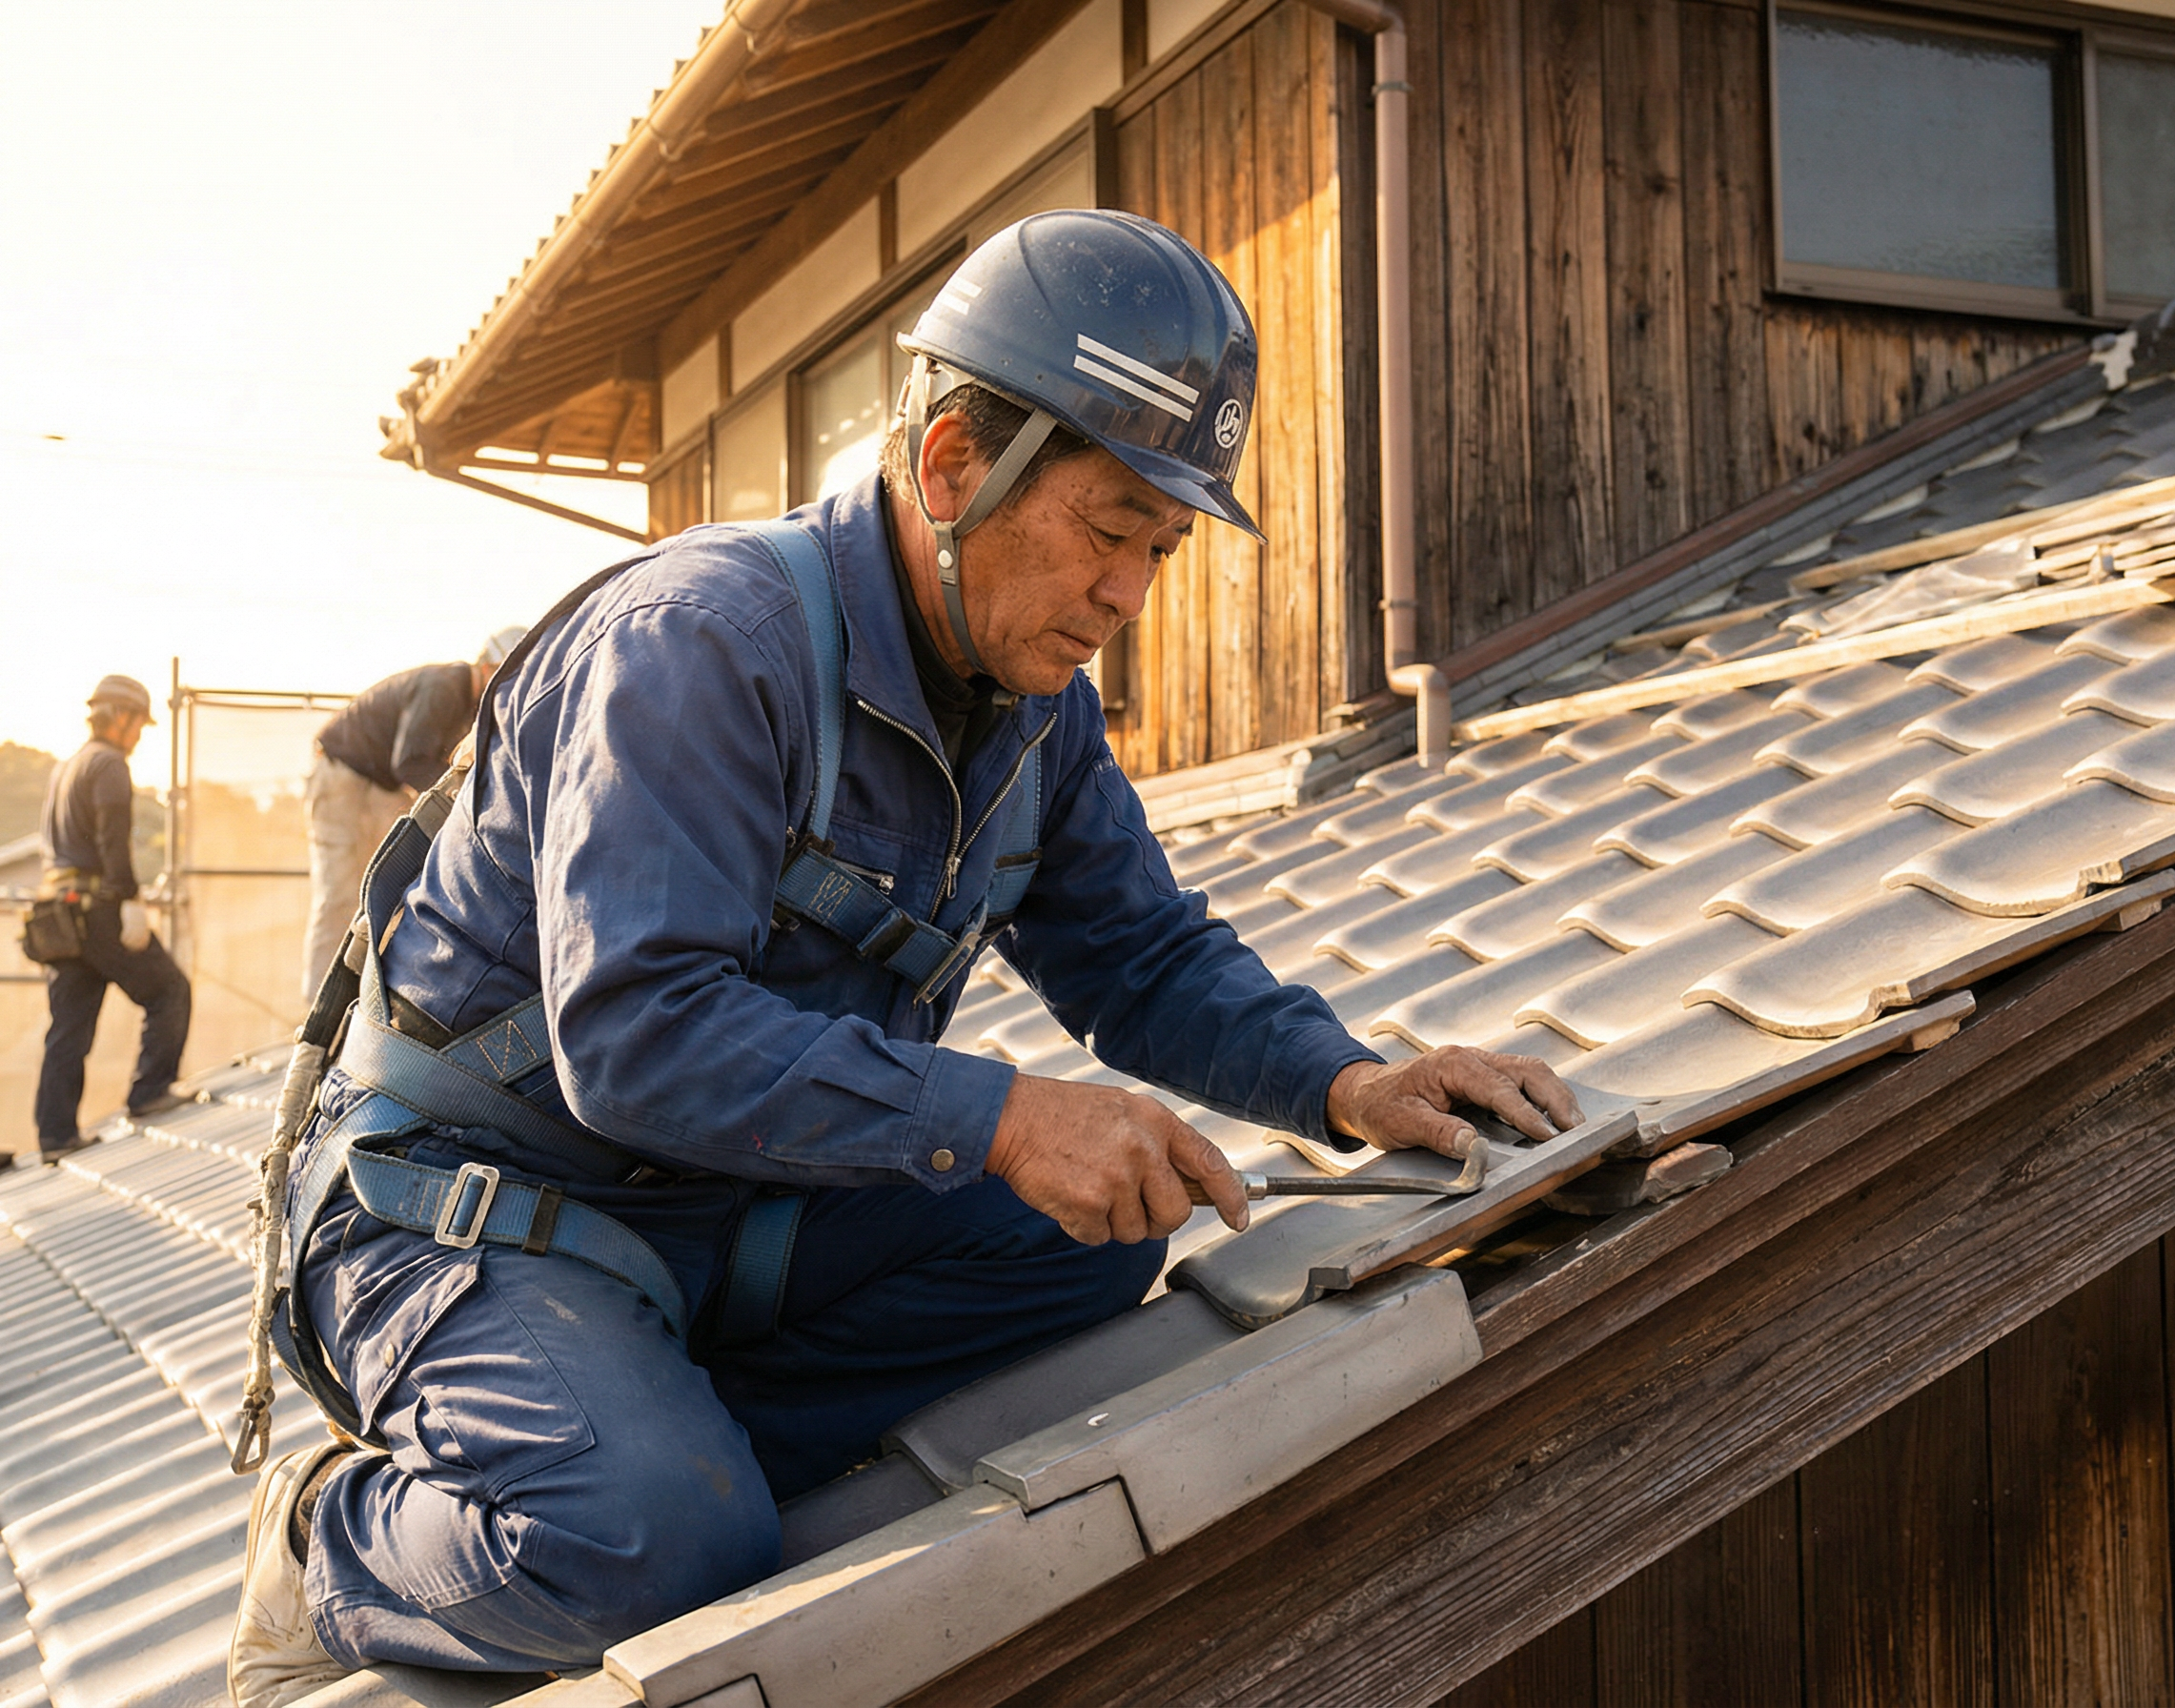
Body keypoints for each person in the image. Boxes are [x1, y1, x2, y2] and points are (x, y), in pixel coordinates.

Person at [230, 212, 1582, 1705]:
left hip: (718, 1207)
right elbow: (637, 1036)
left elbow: (1139, 957)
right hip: (468, 1215)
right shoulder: (700, 647)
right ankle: (324, 1543)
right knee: (653, 1549)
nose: (1130, 595)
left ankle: (658, 1422)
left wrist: (1349, 1083)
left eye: (1163, 548)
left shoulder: (1034, 711)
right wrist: (996, 1117)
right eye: (1109, 529)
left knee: (1115, 1217)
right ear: (951, 466)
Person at [298, 630, 526, 1001]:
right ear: (487, 667)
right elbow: (409, 761)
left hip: (378, 784)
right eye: (507, 677)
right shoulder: (445, 686)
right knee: (339, 894)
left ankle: (370, 1001)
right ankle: (317, 1014)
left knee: (393, 888)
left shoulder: (469, 705)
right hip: (344, 778)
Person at [30, 675, 192, 1163]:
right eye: (137, 723)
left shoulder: (69, 765)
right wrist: (128, 901)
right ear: (119, 717)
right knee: (169, 991)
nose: (139, 734)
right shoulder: (109, 766)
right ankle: (149, 1094)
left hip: (61, 913)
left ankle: (55, 1136)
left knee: (68, 1030)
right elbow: (112, 842)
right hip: (98, 908)